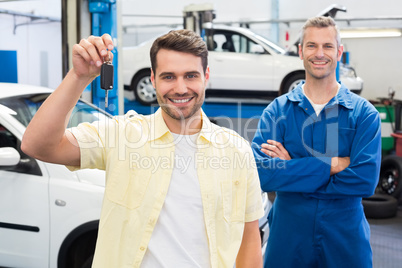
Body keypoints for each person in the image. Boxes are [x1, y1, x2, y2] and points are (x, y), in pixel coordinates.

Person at [22, 30, 264, 267]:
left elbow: (249, 237)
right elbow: (38, 145)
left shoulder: (237, 152)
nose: (180, 88)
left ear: (206, 76)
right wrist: (78, 77)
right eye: (168, 77)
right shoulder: (122, 135)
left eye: (191, 76)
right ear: (153, 78)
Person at [252, 16, 381, 268]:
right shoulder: (277, 111)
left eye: (327, 46)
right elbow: (262, 174)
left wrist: (293, 169)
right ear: (301, 51)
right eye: (311, 45)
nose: (319, 53)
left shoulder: (363, 114)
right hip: (288, 233)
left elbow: (364, 180)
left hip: (344, 233)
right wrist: (331, 165)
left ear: (339, 52)